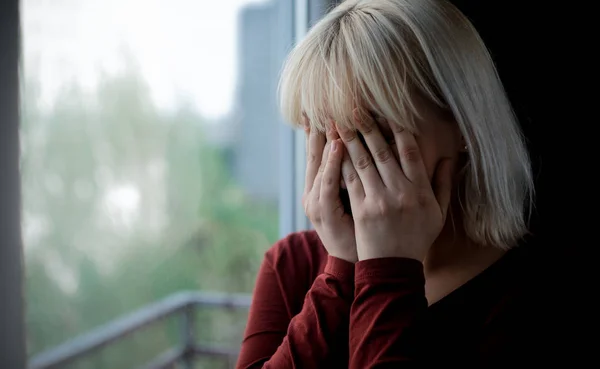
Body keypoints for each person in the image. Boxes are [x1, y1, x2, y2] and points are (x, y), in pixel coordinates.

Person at [236, 0, 540, 367]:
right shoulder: (292, 264)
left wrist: (387, 269)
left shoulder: (526, 295)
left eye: (371, 132)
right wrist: (340, 274)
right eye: (325, 132)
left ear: (465, 126)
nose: (348, 163)